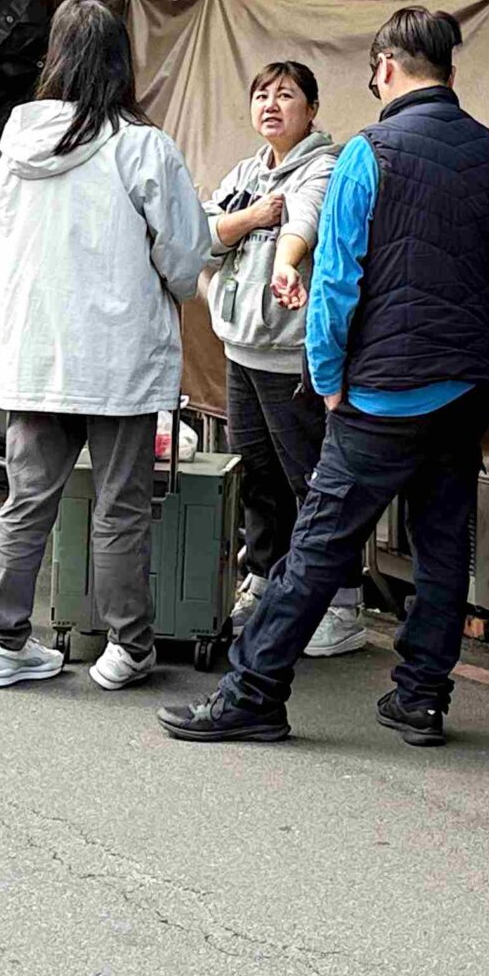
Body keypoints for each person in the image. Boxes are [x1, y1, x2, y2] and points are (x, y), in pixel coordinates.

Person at [161, 6, 489, 745]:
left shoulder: (372, 153)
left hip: (382, 388)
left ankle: (254, 692)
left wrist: (328, 379)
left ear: (387, 69)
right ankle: (421, 699)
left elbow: (335, 283)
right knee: (442, 544)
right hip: (467, 383)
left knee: (319, 543)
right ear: (450, 74)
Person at [0, 0, 207, 689]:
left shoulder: (16, 137)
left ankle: (4, 640)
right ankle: (126, 648)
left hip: (38, 351)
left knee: (27, 501)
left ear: (53, 57)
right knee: (120, 508)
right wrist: (175, 285)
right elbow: (185, 254)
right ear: (120, 62)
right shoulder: (142, 145)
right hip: (119, 357)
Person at [199, 61, 348, 649]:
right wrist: (252, 217)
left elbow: (304, 221)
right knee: (258, 475)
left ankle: (340, 603)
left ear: (311, 109)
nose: (271, 105)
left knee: (310, 480)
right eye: (261, 94)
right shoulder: (245, 171)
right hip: (242, 348)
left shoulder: (324, 166)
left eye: (285, 95)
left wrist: (284, 259)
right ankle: (264, 577)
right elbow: (205, 235)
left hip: (292, 354)